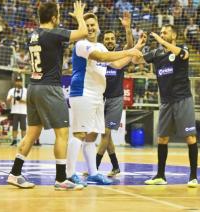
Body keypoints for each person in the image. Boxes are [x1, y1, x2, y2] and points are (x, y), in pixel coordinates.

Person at [7, 1, 88, 190]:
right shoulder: (54, 33)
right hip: (49, 88)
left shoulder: (33, 35)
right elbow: (83, 33)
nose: (59, 16)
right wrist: (79, 17)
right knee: (62, 133)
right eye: (58, 13)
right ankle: (61, 180)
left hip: (33, 86)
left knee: (31, 133)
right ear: (53, 17)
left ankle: (15, 173)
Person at [66, 12, 143, 186]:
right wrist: (129, 50)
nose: (91, 27)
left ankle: (93, 172)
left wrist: (135, 47)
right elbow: (102, 58)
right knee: (79, 133)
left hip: (97, 96)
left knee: (91, 136)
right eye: (88, 25)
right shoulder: (81, 44)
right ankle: (69, 174)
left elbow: (117, 64)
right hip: (83, 92)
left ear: (98, 27)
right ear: (83, 28)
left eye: (93, 24)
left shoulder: (100, 45)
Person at [133, 24, 198, 187]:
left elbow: (183, 54)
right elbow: (135, 60)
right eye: (161, 33)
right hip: (166, 102)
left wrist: (162, 41)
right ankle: (160, 175)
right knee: (162, 138)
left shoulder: (181, 49)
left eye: (165, 33)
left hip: (183, 99)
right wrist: (138, 46)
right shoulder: (156, 53)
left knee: (190, 138)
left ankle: (193, 176)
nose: (161, 35)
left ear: (173, 36)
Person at [96, 11, 134, 177]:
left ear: (115, 41)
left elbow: (131, 47)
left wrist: (128, 28)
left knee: (105, 133)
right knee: (107, 135)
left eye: (112, 39)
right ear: (103, 42)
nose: (110, 41)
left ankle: (94, 168)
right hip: (100, 99)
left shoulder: (119, 54)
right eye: (107, 39)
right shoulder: (98, 56)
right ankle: (116, 166)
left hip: (115, 100)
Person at [7, 76, 27, 146]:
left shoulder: (26, 90)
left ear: (22, 82)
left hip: (23, 112)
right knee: (14, 127)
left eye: (20, 81)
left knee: (23, 128)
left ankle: (23, 141)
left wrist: (21, 100)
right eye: (17, 81)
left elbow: (29, 101)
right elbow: (8, 101)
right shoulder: (11, 90)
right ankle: (14, 140)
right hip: (14, 111)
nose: (18, 82)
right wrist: (11, 98)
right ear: (15, 82)